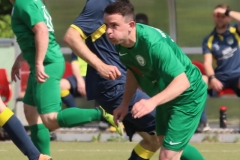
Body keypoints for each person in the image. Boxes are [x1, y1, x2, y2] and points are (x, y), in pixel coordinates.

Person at [10, 0, 122, 156]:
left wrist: (39, 62)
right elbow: (34, 36)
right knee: (30, 112)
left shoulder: (24, 3)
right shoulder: (25, 3)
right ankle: (42, 157)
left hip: (47, 64)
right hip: (45, 62)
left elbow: (42, 31)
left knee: (50, 120)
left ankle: (102, 113)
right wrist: (20, 60)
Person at [103, 0, 207, 160]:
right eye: (106, 26)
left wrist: (151, 102)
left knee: (167, 156)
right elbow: (133, 70)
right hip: (166, 96)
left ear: (131, 25)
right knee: (164, 141)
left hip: (187, 95)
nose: (108, 31)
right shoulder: (120, 43)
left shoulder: (153, 45)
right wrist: (124, 104)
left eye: (114, 25)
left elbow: (182, 82)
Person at [63, 0, 160, 159]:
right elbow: (71, 37)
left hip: (124, 85)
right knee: (169, 129)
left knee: (153, 140)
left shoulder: (120, 5)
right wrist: (100, 65)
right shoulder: (99, 3)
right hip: (113, 88)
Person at [202, 4, 240, 97]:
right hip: (221, 77)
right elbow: (207, 63)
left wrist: (227, 12)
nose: (220, 18)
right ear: (213, 17)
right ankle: (198, 111)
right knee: (201, 81)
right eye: (218, 16)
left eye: (223, 16)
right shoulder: (209, 39)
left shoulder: (236, 31)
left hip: (238, 75)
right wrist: (213, 78)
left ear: (229, 18)